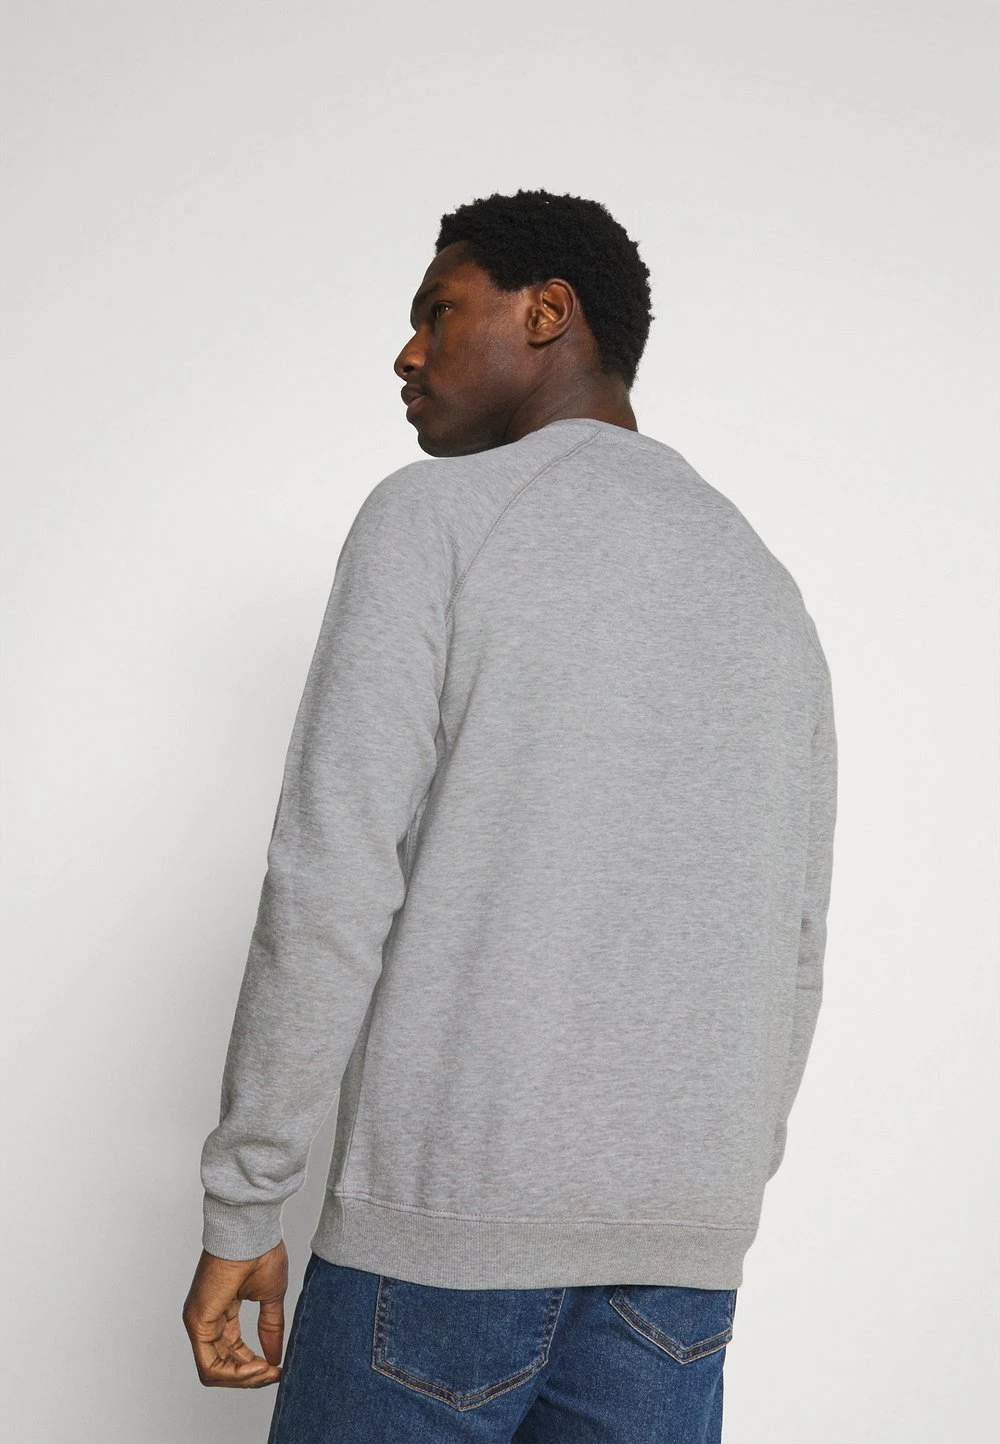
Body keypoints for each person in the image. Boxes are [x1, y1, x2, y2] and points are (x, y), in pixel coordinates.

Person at [182, 188, 838, 1443]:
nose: (407, 352)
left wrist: (243, 1203)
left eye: (438, 312)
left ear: (548, 311)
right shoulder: (763, 583)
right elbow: (796, 943)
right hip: (677, 1261)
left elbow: (330, 885)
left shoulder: (434, 518)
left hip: (442, 1238)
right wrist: (707, 1186)